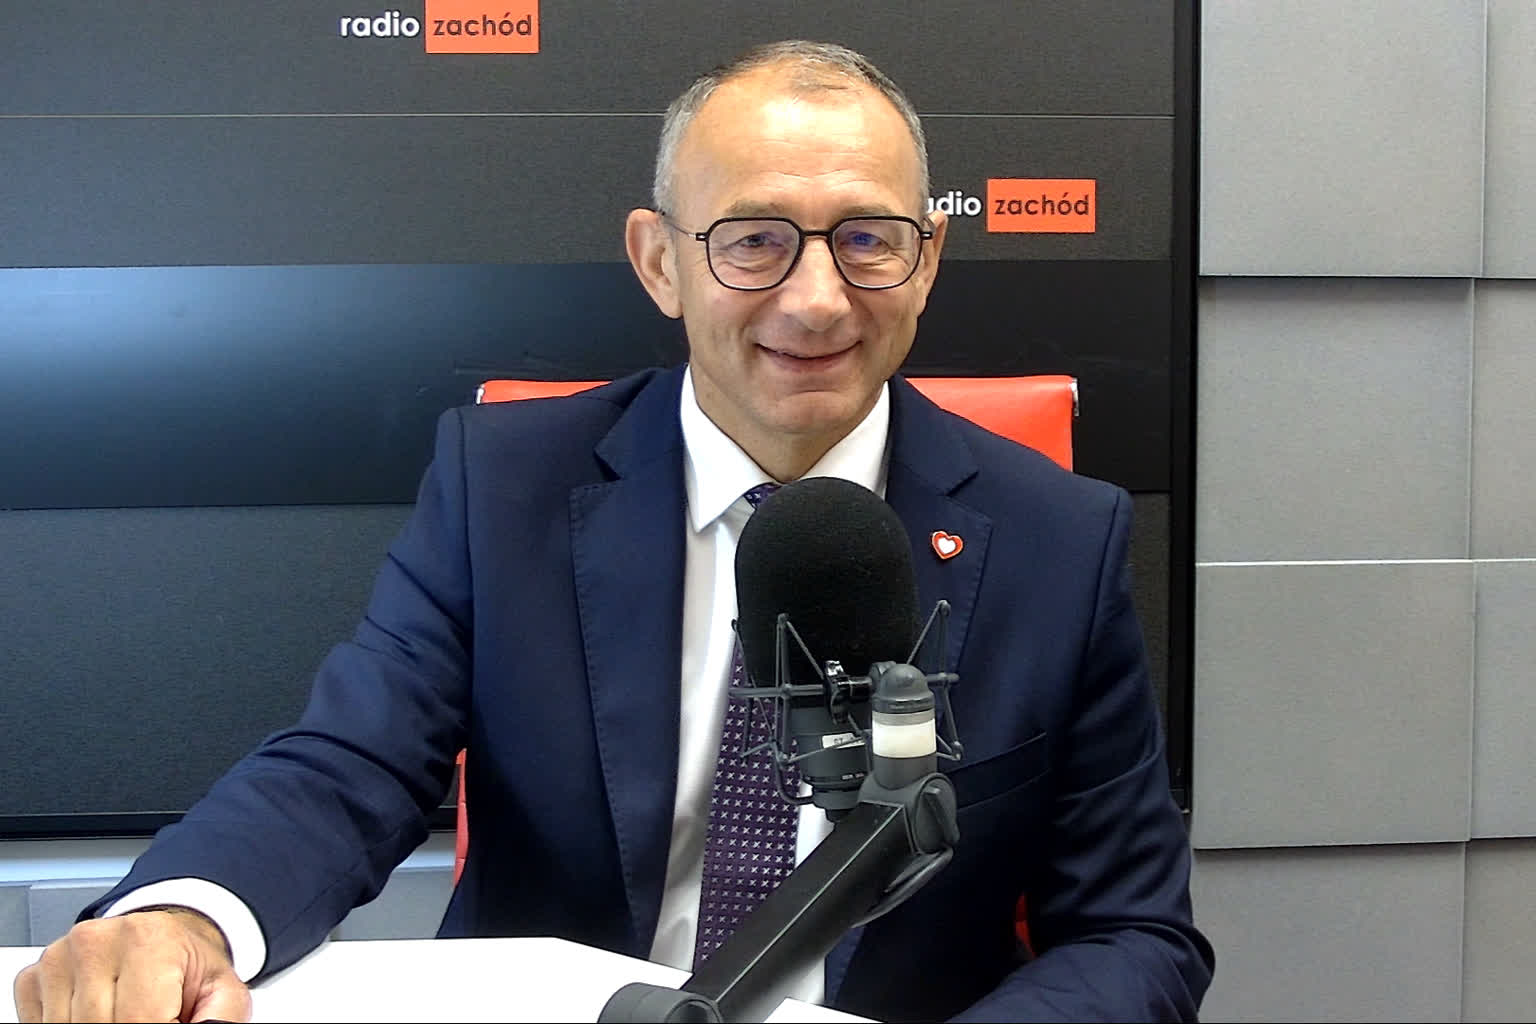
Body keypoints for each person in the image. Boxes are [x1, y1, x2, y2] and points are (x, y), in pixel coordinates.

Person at [13, 40, 1213, 1023]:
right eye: (753, 239)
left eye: (867, 238)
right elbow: (349, 763)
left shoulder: (1061, 538)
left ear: (928, 257)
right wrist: (185, 915)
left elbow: (1134, 935)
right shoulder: (505, 487)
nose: (816, 299)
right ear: (659, 263)